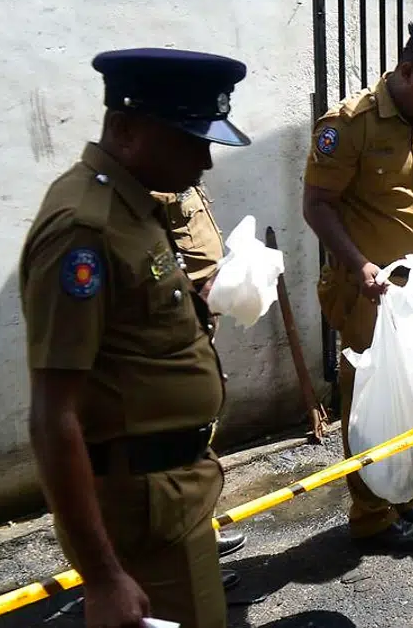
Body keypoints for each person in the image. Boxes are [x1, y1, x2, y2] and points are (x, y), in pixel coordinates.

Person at [20, 49, 251, 628]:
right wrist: (101, 578)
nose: (205, 160)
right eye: (188, 140)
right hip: (145, 504)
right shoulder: (85, 228)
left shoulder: (134, 206)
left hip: (174, 494)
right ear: (126, 129)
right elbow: (53, 414)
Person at [302, 21, 413, 552]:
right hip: (369, 292)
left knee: (411, 397)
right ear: (407, 70)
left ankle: (402, 495)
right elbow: (317, 205)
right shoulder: (349, 124)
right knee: (368, 399)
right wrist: (358, 265)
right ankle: (371, 516)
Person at [153, 184, 248, 559]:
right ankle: (184, 551)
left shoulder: (175, 176)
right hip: (175, 322)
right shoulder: (145, 188)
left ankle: (198, 533)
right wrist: (193, 296)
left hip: (196, 317)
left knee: (197, 434)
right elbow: (156, 257)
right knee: (175, 439)